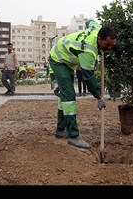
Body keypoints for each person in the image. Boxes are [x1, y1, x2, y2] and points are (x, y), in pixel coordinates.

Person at [49, 20, 117, 149]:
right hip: (59, 59)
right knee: (69, 96)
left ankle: (60, 129)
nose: (109, 48)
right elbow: (88, 78)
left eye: (112, 45)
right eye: (107, 45)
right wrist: (99, 97)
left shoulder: (98, 28)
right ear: (99, 39)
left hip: (67, 59)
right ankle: (73, 136)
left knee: (65, 95)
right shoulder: (89, 51)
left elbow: (90, 22)